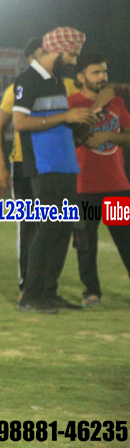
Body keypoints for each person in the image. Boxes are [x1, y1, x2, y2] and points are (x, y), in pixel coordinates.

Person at [12, 26, 99, 314]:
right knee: (48, 228)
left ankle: (49, 292)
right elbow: (20, 123)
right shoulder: (27, 79)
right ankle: (30, 297)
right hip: (44, 165)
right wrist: (66, 116)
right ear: (57, 51)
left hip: (65, 163)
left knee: (63, 229)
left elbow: (57, 121)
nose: (74, 61)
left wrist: (79, 126)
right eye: (72, 55)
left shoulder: (58, 81)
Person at [67, 52, 130, 306]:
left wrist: (109, 137)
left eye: (104, 71)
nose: (102, 77)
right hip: (83, 187)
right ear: (81, 77)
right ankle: (92, 292)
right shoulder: (71, 104)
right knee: (86, 245)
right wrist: (97, 106)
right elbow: (74, 138)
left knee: (126, 242)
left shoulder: (117, 103)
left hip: (116, 186)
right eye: (96, 72)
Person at [0, 38, 43, 297]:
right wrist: (1, 165)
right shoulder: (17, 89)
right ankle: (28, 286)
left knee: (54, 226)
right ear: (32, 58)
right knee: (29, 225)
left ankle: (46, 284)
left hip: (53, 165)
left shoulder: (60, 87)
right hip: (23, 165)